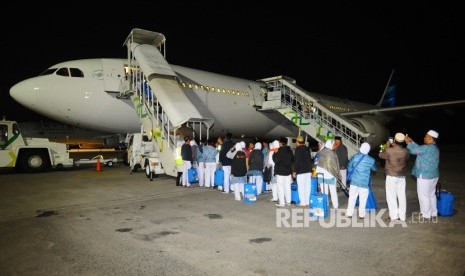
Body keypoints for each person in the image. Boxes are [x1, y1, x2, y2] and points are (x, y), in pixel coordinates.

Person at [404, 130, 440, 219]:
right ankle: (433, 212)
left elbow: (413, 151)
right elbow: (420, 149)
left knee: (423, 195)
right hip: (433, 175)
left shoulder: (426, 148)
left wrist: (408, 143)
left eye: (426, 136)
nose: (424, 138)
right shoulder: (435, 148)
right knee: (431, 194)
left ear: (431, 139)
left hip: (424, 175)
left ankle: (425, 214)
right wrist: (411, 141)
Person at [379, 133, 410, 221]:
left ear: (395, 141)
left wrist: (385, 146)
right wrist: (394, 146)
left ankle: (394, 216)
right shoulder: (406, 151)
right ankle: (402, 216)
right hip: (402, 175)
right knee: (401, 195)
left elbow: (380, 155)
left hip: (391, 175)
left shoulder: (389, 150)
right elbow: (406, 157)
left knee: (391, 196)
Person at [346, 142, 377, 218]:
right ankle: (361, 215)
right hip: (364, 183)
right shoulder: (371, 160)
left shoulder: (354, 157)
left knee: (352, 198)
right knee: (363, 199)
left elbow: (349, 168)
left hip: (354, 182)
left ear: (361, 148)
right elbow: (374, 169)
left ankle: (349, 213)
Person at [316, 139, 341, 209]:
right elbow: (335, 165)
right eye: (333, 144)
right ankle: (335, 205)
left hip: (321, 175)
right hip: (330, 175)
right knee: (333, 191)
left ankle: (325, 204)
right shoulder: (332, 154)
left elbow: (317, 163)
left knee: (324, 191)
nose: (334, 146)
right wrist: (338, 175)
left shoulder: (320, 152)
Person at [273, 137, 294, 207]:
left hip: (280, 172)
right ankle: (288, 201)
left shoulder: (279, 151)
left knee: (280, 187)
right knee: (287, 187)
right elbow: (292, 160)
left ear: (281, 143)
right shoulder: (290, 150)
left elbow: (276, 160)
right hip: (288, 172)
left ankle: (282, 202)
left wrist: (275, 153)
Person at [293, 136, 312, 206]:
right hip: (308, 171)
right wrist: (311, 170)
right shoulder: (307, 148)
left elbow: (296, 161)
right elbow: (310, 160)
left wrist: (295, 171)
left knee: (301, 187)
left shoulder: (298, 149)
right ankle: (307, 201)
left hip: (301, 171)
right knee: (307, 187)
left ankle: (303, 202)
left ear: (298, 142)